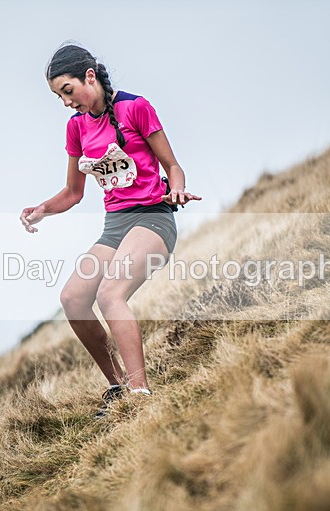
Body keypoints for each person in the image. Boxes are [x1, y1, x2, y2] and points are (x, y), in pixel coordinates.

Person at [19, 43, 201, 418]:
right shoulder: (76, 128)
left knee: (110, 294)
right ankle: (118, 385)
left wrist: (178, 188)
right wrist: (43, 209)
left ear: (89, 76)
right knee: (72, 298)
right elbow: (73, 192)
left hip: (153, 218)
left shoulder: (136, 107)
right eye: (59, 97)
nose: (67, 103)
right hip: (115, 228)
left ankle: (140, 393)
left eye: (68, 91)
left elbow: (173, 166)